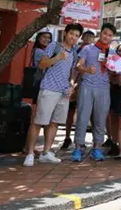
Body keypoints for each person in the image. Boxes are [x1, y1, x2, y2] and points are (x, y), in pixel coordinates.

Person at [23, 24, 83, 167]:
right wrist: (57, 58)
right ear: (65, 33)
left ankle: (46, 152)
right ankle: (30, 153)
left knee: (54, 122)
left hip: (64, 92)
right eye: (71, 34)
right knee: (38, 121)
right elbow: (42, 64)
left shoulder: (75, 52)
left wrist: (72, 86)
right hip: (48, 89)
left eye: (76, 35)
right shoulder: (53, 46)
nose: (73, 37)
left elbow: (73, 72)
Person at [72, 23, 117, 162]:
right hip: (87, 86)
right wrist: (86, 70)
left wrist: (117, 71)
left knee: (100, 119)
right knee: (82, 118)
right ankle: (78, 148)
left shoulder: (113, 53)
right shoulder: (88, 49)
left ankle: (96, 148)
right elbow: (78, 65)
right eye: (105, 33)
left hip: (103, 88)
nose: (106, 37)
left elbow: (114, 73)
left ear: (112, 37)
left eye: (110, 35)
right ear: (100, 33)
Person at [61, 28, 96, 150]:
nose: (88, 39)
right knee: (70, 112)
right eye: (86, 36)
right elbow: (72, 68)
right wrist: (72, 83)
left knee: (86, 113)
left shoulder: (95, 52)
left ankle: (81, 140)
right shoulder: (75, 50)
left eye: (91, 37)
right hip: (72, 84)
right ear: (82, 37)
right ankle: (67, 137)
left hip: (87, 86)